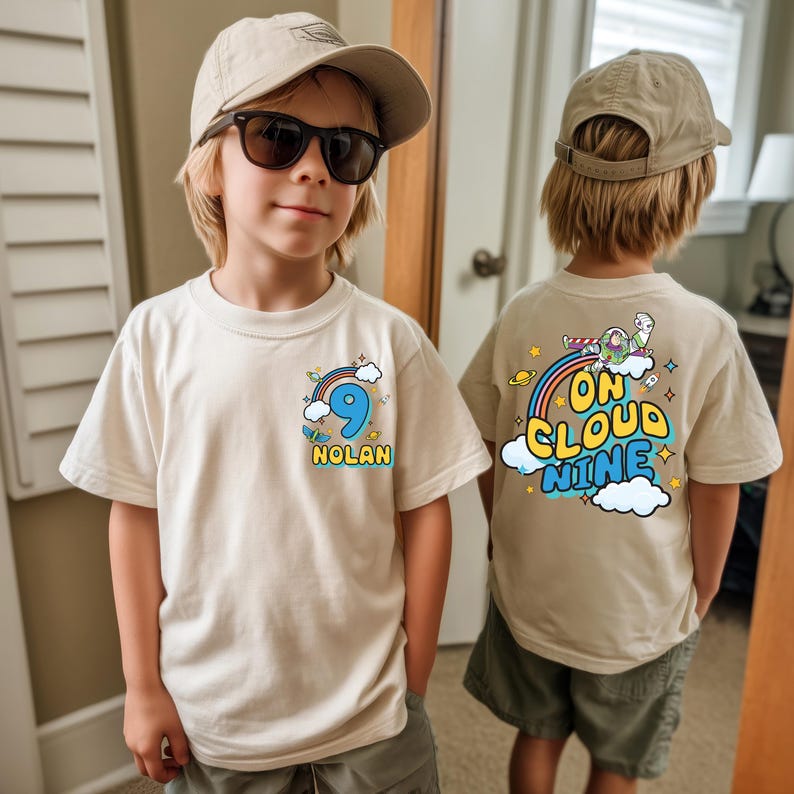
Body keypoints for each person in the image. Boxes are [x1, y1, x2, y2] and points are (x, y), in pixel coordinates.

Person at [59, 12, 490, 793]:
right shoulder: (156, 339)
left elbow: (427, 508)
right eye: (276, 138)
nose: (314, 169)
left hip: (373, 719)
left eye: (345, 148)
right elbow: (135, 513)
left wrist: (415, 668)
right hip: (220, 722)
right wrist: (144, 685)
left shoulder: (391, 344)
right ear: (211, 165)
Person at [458, 50, 782, 794]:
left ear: (563, 182)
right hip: (638, 614)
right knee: (616, 763)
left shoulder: (525, 313)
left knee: (535, 737)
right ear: (690, 190)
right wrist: (702, 591)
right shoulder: (705, 330)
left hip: (530, 595)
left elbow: (485, 436)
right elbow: (722, 485)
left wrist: (506, 534)